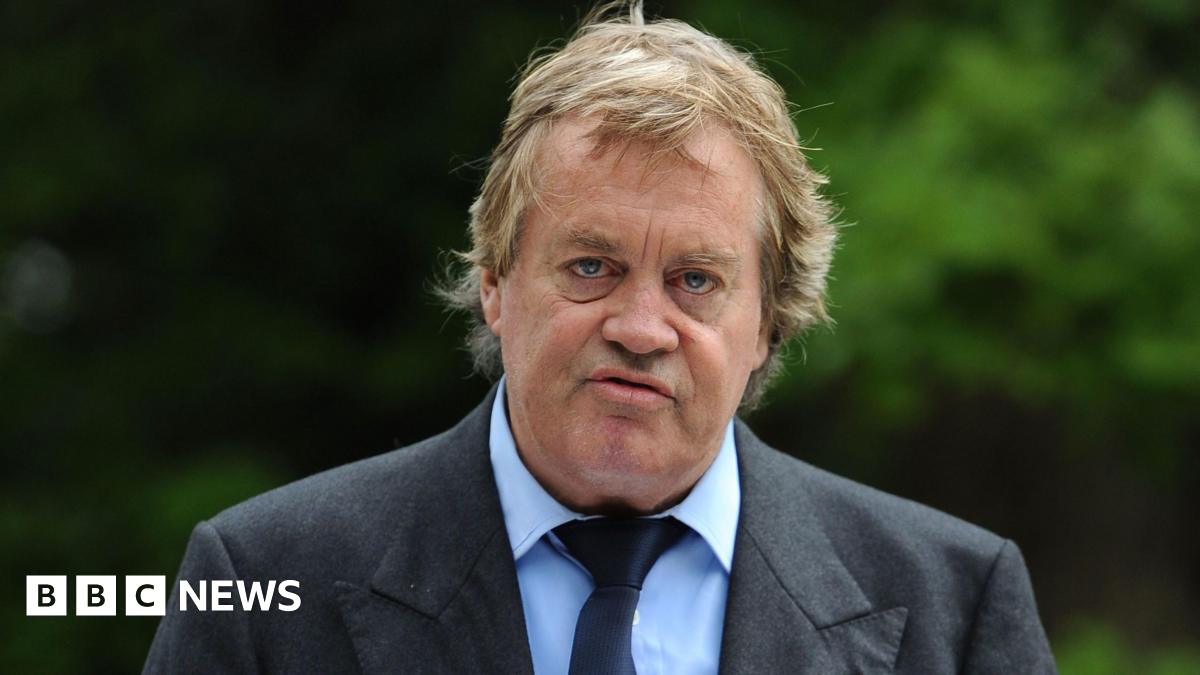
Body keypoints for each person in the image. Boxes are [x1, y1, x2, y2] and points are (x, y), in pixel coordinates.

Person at [144, 2, 1056, 673]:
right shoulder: (262, 585)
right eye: (591, 267)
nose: (639, 327)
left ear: (769, 321)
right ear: (495, 281)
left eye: (695, 281)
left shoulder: (957, 607)